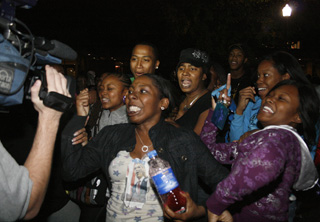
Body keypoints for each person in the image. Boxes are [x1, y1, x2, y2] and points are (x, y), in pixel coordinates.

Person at [60, 74, 229, 221]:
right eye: (131, 91)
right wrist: (78, 118)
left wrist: (199, 211)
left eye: (142, 91)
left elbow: (224, 184)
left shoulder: (182, 140)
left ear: (162, 103)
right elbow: (72, 171)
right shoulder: (111, 135)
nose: (132, 96)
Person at [200, 80, 319, 222]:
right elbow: (207, 150)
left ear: (298, 116)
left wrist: (216, 203)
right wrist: (220, 110)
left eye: (281, 98)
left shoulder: (283, 139)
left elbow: (263, 164)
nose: (269, 99)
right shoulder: (259, 140)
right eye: (271, 95)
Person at [55, 72, 132, 222]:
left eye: (110, 89)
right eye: (101, 88)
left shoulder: (132, 121)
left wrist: (90, 144)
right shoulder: (96, 112)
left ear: (125, 92)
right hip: (92, 188)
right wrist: (80, 114)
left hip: (116, 194)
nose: (103, 92)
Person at [0, 65, 71, 221]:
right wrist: (49, 117)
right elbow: (25, 205)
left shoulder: (66, 108)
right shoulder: (14, 109)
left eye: (59, 78)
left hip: (53, 198)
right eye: (48, 78)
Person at [229, 51, 311, 142]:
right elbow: (236, 142)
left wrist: (263, 136)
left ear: (285, 78)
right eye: (258, 75)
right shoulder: (252, 102)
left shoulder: (299, 107)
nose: (259, 81)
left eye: (266, 75)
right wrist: (239, 110)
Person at [171, 48, 212, 135]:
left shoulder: (210, 102)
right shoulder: (177, 101)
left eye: (192, 69)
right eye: (181, 68)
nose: (185, 73)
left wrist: (171, 126)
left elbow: (199, 141)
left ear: (204, 76)